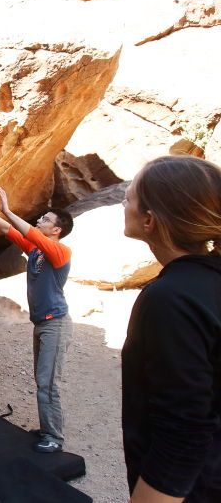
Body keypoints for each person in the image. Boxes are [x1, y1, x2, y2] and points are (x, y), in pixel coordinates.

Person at [121, 155, 221, 502]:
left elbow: (184, 432)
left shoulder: (170, 300)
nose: (123, 203)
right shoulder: (206, 283)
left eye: (129, 197)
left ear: (149, 221)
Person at [0, 185, 74, 453]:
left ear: (56, 230)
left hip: (56, 323)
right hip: (42, 323)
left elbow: (25, 230)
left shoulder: (60, 250)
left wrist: (8, 209)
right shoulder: (37, 250)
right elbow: (7, 231)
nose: (40, 221)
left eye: (46, 220)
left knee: (48, 382)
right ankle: (47, 429)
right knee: (41, 380)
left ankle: (54, 438)